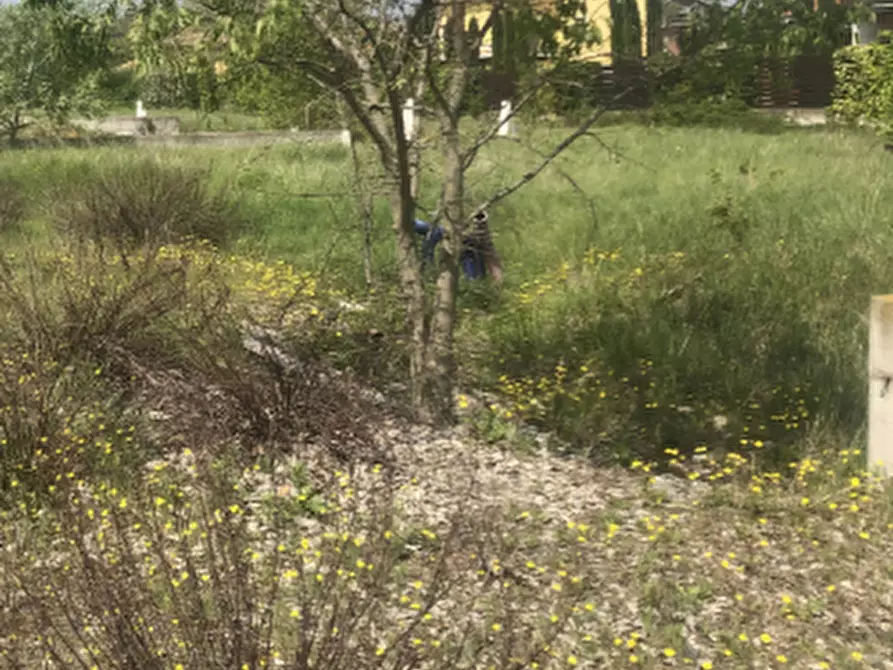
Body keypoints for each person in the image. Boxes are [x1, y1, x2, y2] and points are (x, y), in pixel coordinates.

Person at [413, 210, 503, 282]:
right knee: (429, 231)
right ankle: (428, 271)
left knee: (475, 279)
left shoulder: (481, 239)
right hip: (453, 237)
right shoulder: (450, 227)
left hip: (468, 251)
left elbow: (491, 256)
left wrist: (498, 279)